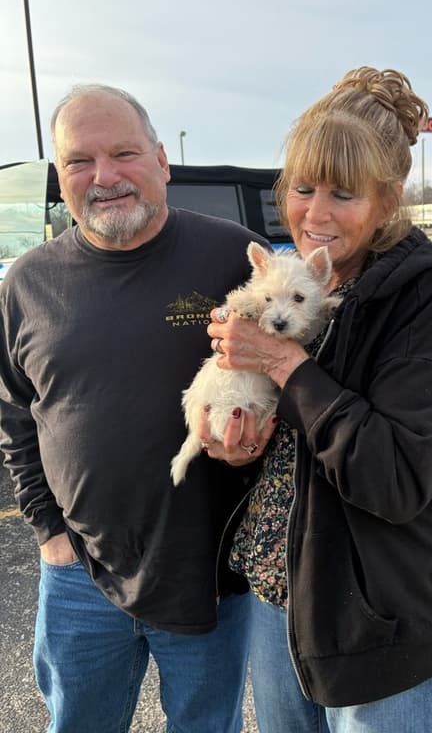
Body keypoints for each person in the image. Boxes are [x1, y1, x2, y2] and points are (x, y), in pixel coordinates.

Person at [203, 66, 432, 733]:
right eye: (302, 188)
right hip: (279, 596)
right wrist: (234, 442)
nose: (315, 215)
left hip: (376, 618)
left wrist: (289, 368)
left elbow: (396, 475)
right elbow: (288, 447)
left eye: (344, 194)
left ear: (388, 198)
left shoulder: (417, 299)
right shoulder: (293, 285)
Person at [0, 84, 276, 733]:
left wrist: (257, 436)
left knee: (206, 726)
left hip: (206, 570)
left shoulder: (232, 257)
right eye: (79, 161)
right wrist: (50, 534)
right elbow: (16, 416)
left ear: (161, 160)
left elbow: (288, 375)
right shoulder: (27, 283)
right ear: (60, 176)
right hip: (80, 576)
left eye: (124, 153)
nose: (104, 177)